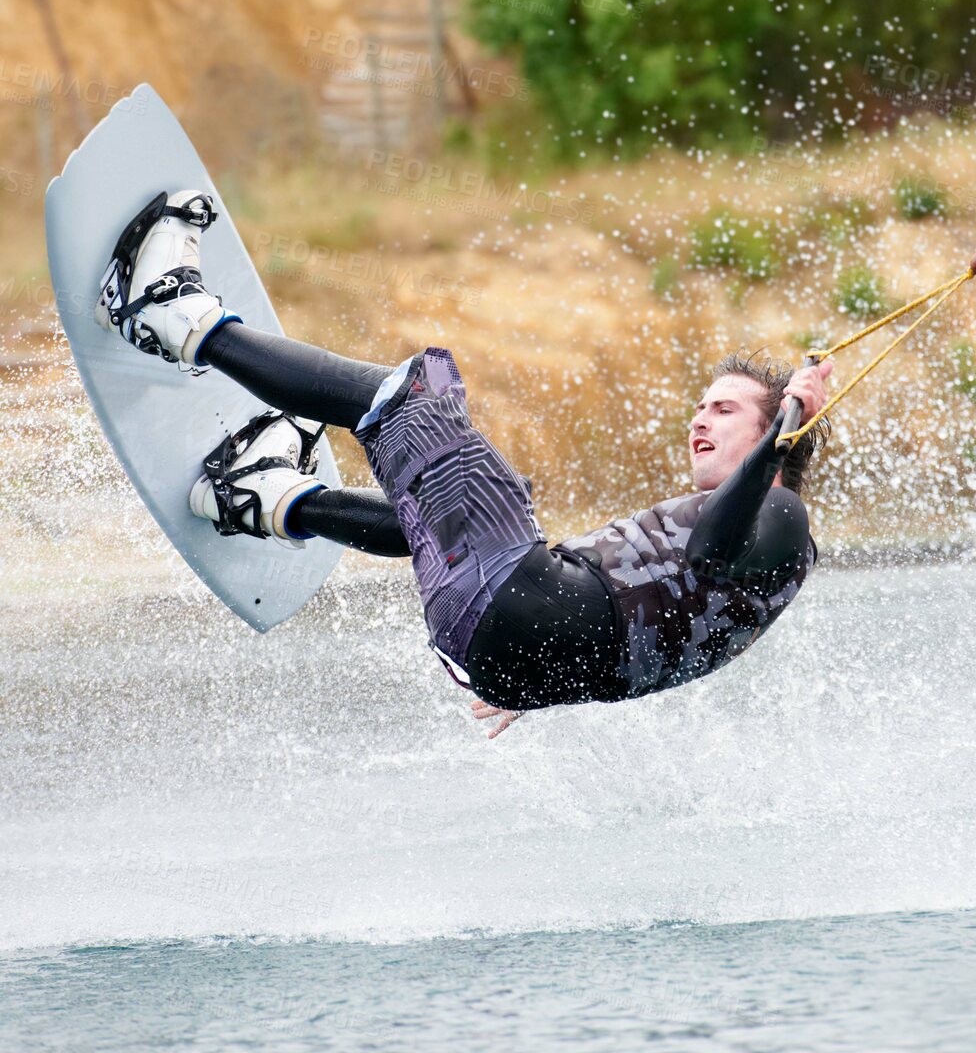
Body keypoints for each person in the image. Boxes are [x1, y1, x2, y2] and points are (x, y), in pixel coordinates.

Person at [95, 188, 834, 736]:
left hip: (520, 607)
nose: (701, 417)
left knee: (406, 399)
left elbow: (714, 544)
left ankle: (170, 313)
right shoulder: (765, 575)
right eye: (703, 405)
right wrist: (534, 677)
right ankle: (265, 497)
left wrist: (785, 431)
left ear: (777, 439)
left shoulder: (781, 516)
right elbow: (651, 652)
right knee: (480, 505)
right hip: (498, 645)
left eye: (728, 410)